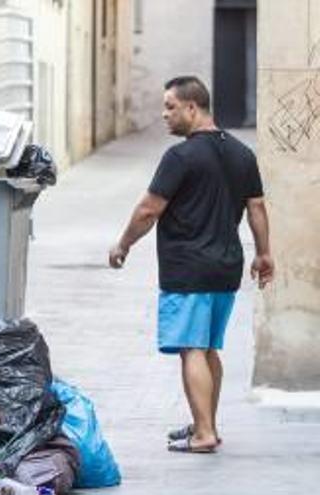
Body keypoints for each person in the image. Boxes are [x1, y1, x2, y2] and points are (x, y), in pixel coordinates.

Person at [108, 76, 274, 453]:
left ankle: (203, 433)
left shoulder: (180, 157)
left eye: (170, 107)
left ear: (192, 108)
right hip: (226, 267)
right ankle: (206, 424)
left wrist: (123, 244)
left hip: (188, 268)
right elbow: (257, 207)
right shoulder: (241, 153)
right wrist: (264, 254)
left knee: (191, 348)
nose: (164, 115)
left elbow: (149, 209)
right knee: (208, 348)